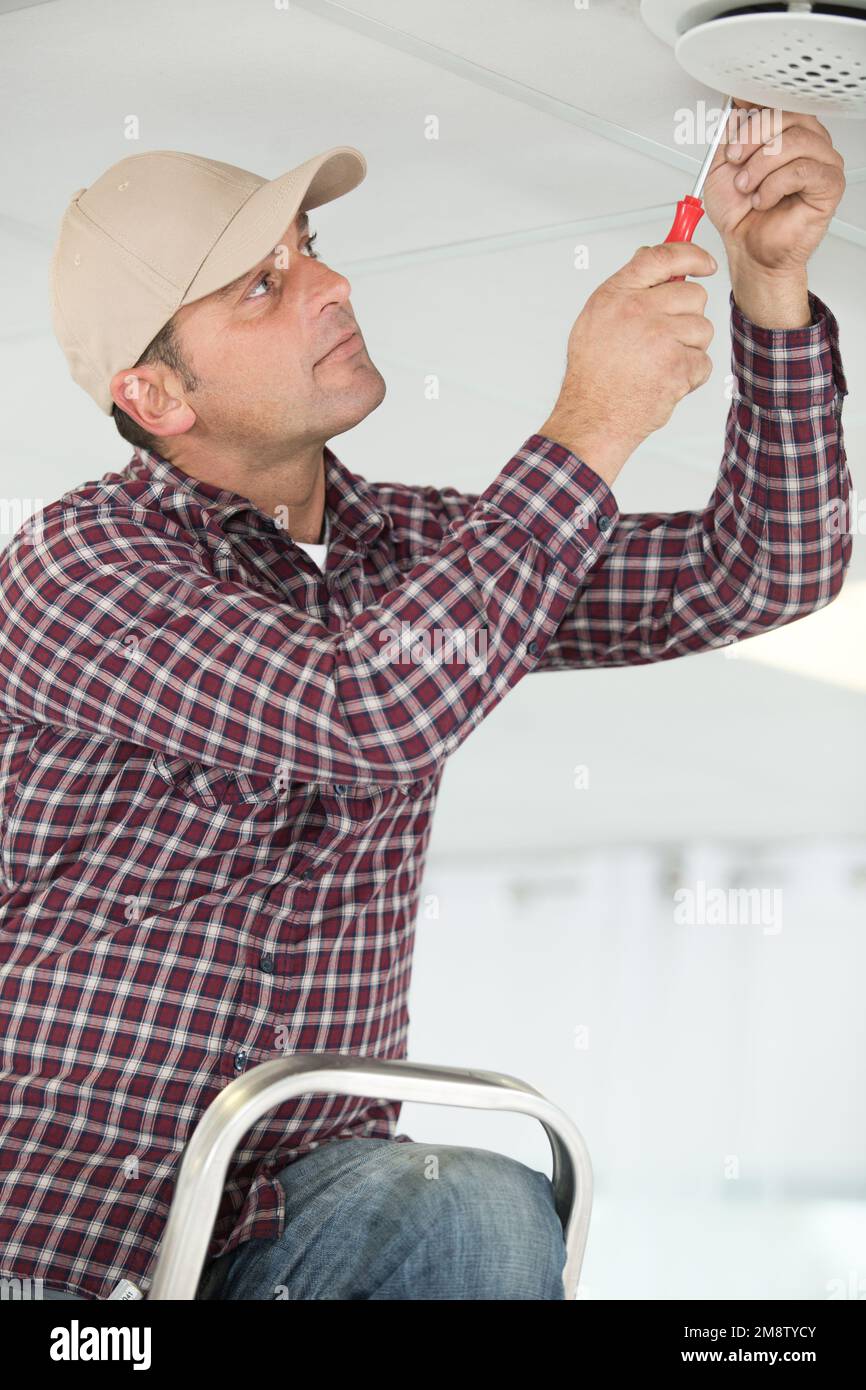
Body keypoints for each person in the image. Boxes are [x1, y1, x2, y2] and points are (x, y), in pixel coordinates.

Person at [0, 115, 851, 1300]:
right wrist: (589, 425)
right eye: (263, 285)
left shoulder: (419, 550)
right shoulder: (76, 566)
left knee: (476, 1208)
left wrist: (768, 291)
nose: (332, 283)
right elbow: (367, 711)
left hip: (305, 1211)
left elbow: (766, 565)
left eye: (308, 247)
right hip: (69, 1247)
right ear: (156, 395)